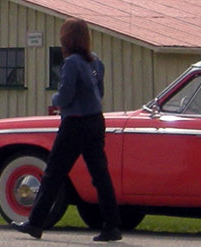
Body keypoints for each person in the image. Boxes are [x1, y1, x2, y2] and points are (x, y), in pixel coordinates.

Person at [12, 17, 121, 242]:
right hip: (95, 121)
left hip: (75, 122)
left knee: (54, 173)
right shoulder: (96, 62)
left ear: (67, 39)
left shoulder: (71, 62)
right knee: (100, 174)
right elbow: (99, 91)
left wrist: (55, 98)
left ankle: (35, 222)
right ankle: (112, 226)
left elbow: (65, 95)